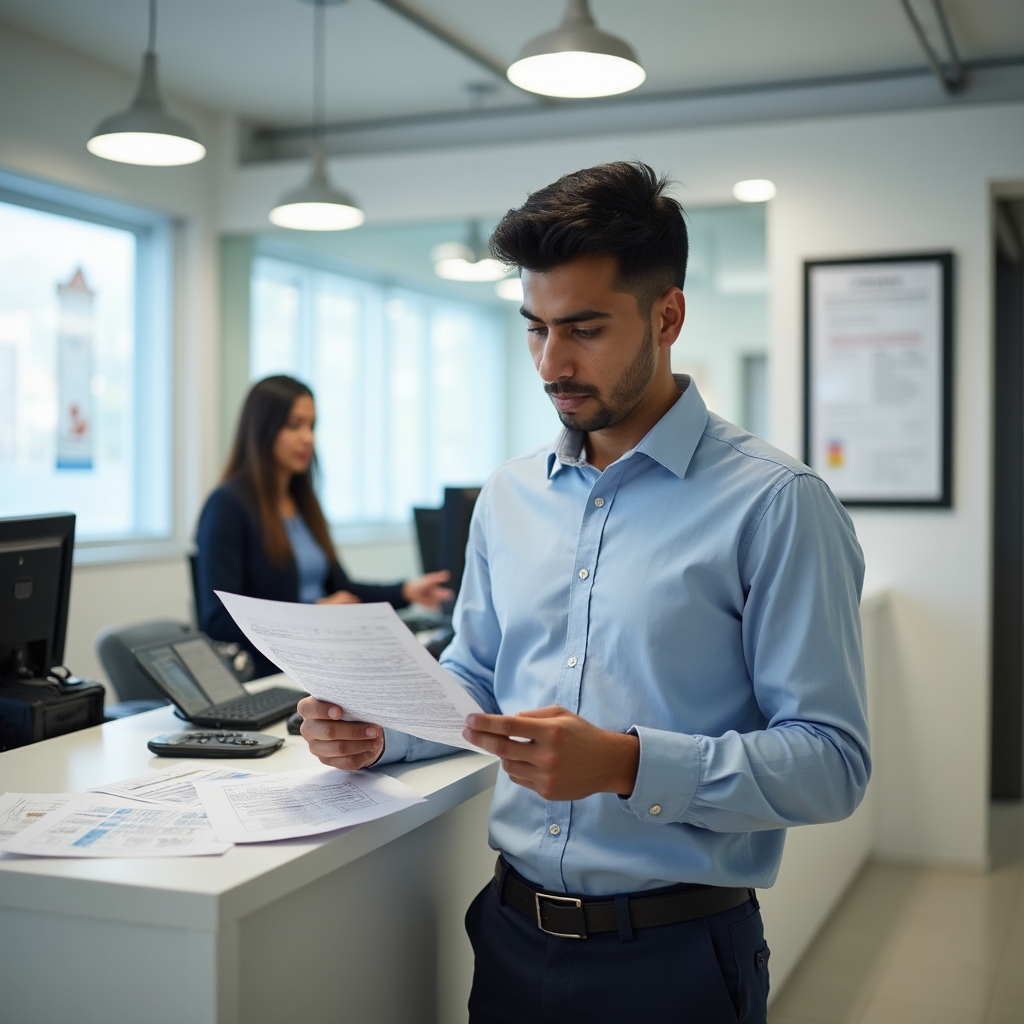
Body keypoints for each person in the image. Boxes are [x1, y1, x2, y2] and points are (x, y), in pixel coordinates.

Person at [297, 163, 870, 1023]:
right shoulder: (509, 495)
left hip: (675, 961)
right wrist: (385, 730)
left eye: (585, 329)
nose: (552, 362)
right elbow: (480, 683)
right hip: (509, 937)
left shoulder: (776, 503)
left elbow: (832, 762)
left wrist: (630, 764)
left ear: (667, 315)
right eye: (534, 329)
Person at [195, 375, 453, 678]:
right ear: (261, 430)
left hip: (324, 661)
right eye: (294, 425)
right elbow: (217, 618)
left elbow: (341, 590)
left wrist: (406, 590)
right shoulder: (227, 505)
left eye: (311, 426)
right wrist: (314, 616)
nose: (308, 438)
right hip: (273, 671)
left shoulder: (302, 503)